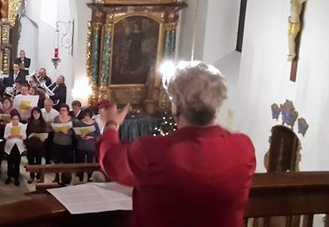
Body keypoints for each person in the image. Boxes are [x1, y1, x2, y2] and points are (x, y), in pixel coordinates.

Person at [96, 61, 256, 227]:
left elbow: (111, 160)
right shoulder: (244, 147)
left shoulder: (151, 151)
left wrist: (111, 125)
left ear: (176, 107)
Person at [73, 109, 100, 181]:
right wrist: (80, 136)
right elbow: (75, 135)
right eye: (85, 116)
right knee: (81, 163)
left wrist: (91, 137)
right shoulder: (79, 123)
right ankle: (80, 177)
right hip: (81, 145)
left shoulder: (95, 124)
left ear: (91, 116)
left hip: (90, 146)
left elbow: (98, 136)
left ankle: (89, 178)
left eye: (88, 116)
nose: (86, 117)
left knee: (90, 163)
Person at [51, 104, 74, 183]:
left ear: (68, 111)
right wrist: (56, 129)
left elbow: (74, 132)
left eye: (64, 110)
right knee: (56, 161)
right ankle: (56, 177)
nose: (63, 112)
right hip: (57, 142)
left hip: (67, 143)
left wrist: (67, 132)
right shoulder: (56, 118)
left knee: (66, 161)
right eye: (61, 110)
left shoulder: (71, 120)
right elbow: (52, 128)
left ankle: (66, 178)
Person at [24, 108, 47, 183]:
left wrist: (43, 138)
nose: (36, 115)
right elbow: (26, 132)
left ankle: (38, 176)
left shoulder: (43, 123)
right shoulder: (29, 122)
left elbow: (45, 133)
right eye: (34, 113)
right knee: (30, 161)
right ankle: (32, 176)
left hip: (39, 144)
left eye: (37, 113)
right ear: (32, 114)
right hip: (30, 144)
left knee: (38, 161)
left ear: (40, 114)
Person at [3, 114, 27, 186]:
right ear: (11, 119)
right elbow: (4, 136)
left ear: (19, 119)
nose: (15, 120)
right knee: (9, 163)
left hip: (18, 146)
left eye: (16, 119)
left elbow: (25, 137)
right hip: (10, 146)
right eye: (13, 119)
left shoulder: (22, 126)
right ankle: (9, 177)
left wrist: (21, 136)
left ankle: (16, 178)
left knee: (17, 163)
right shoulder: (8, 125)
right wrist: (9, 136)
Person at [41, 99, 59, 164]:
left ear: (52, 105)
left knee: (49, 147)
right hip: (42, 132)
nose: (47, 107)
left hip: (51, 132)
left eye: (49, 105)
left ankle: (48, 161)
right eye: (46, 105)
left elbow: (57, 124)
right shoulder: (41, 111)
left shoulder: (56, 113)